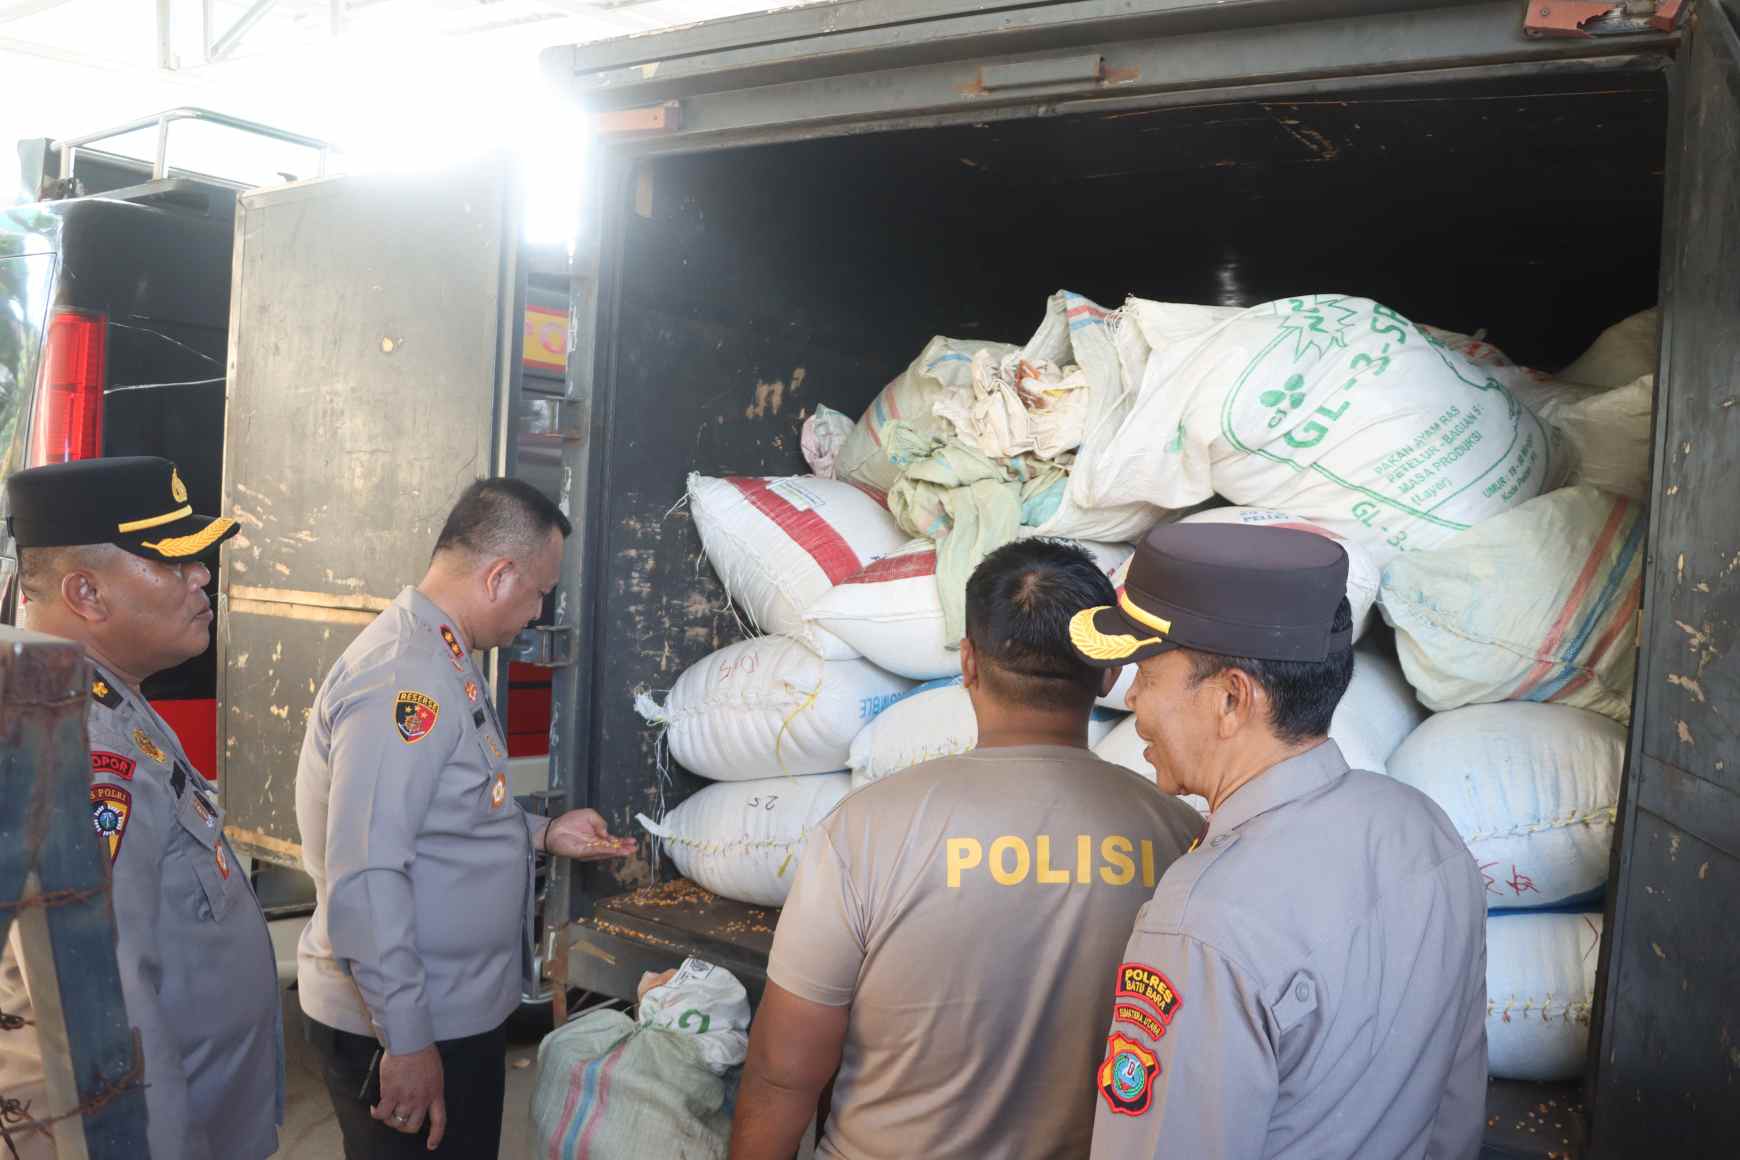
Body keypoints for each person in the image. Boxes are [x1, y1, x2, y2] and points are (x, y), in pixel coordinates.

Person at [731, 539, 1206, 1160]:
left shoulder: (866, 830)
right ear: (1109, 672)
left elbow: (781, 1073)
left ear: (968, 663)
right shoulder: (1179, 838)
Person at [1068, 523, 1487, 1160]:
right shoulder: (1423, 830)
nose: (1132, 699)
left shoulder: (1200, 923)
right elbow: (1455, 1108)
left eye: (1147, 673)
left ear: (1232, 699)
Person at [296, 477, 636, 1158]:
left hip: (450, 1012)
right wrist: (408, 1041)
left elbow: (445, 814)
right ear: (499, 574)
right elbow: (366, 873)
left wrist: (543, 834)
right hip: (406, 1026)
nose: (538, 612)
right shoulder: (405, 679)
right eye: (539, 591)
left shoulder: (445, 653)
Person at [0, 456, 283, 1160]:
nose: (204, 576)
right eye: (175, 562)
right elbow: (112, 1003)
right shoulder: (90, 752)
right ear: (87, 593)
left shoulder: (100, 698)